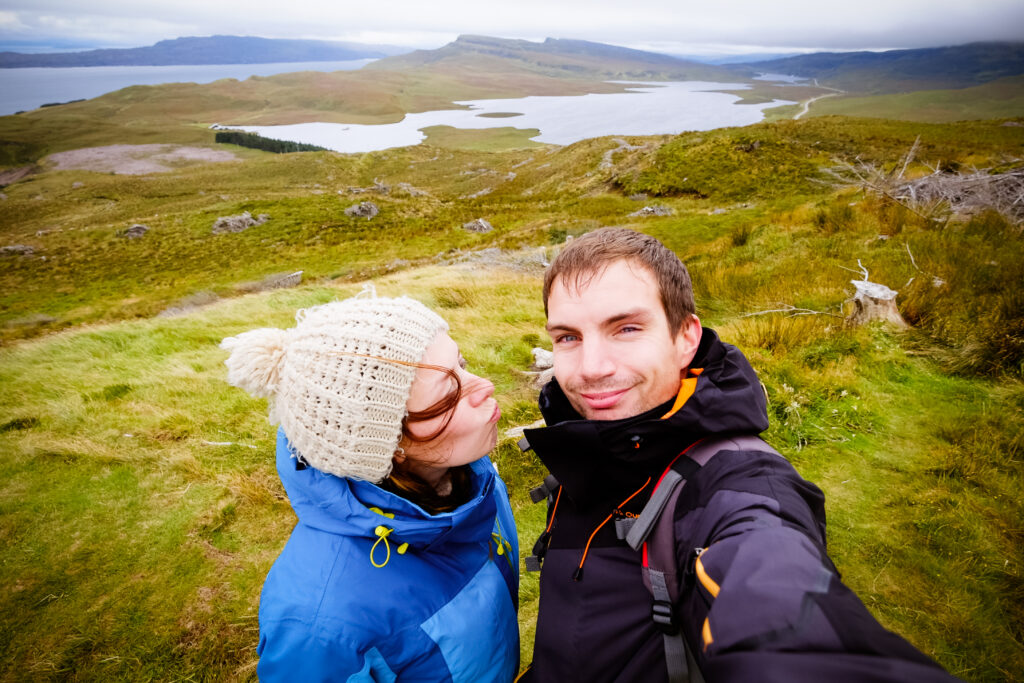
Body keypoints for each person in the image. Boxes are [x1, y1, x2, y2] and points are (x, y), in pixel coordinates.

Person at [516, 228, 959, 682]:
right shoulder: (586, 444)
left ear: (686, 337)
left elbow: (774, 591)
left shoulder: (740, 484)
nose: (591, 368)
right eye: (568, 337)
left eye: (627, 328)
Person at [221, 291, 519, 681]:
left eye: (461, 364)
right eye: (447, 394)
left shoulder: (473, 480)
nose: (484, 386)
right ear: (387, 443)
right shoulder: (321, 625)